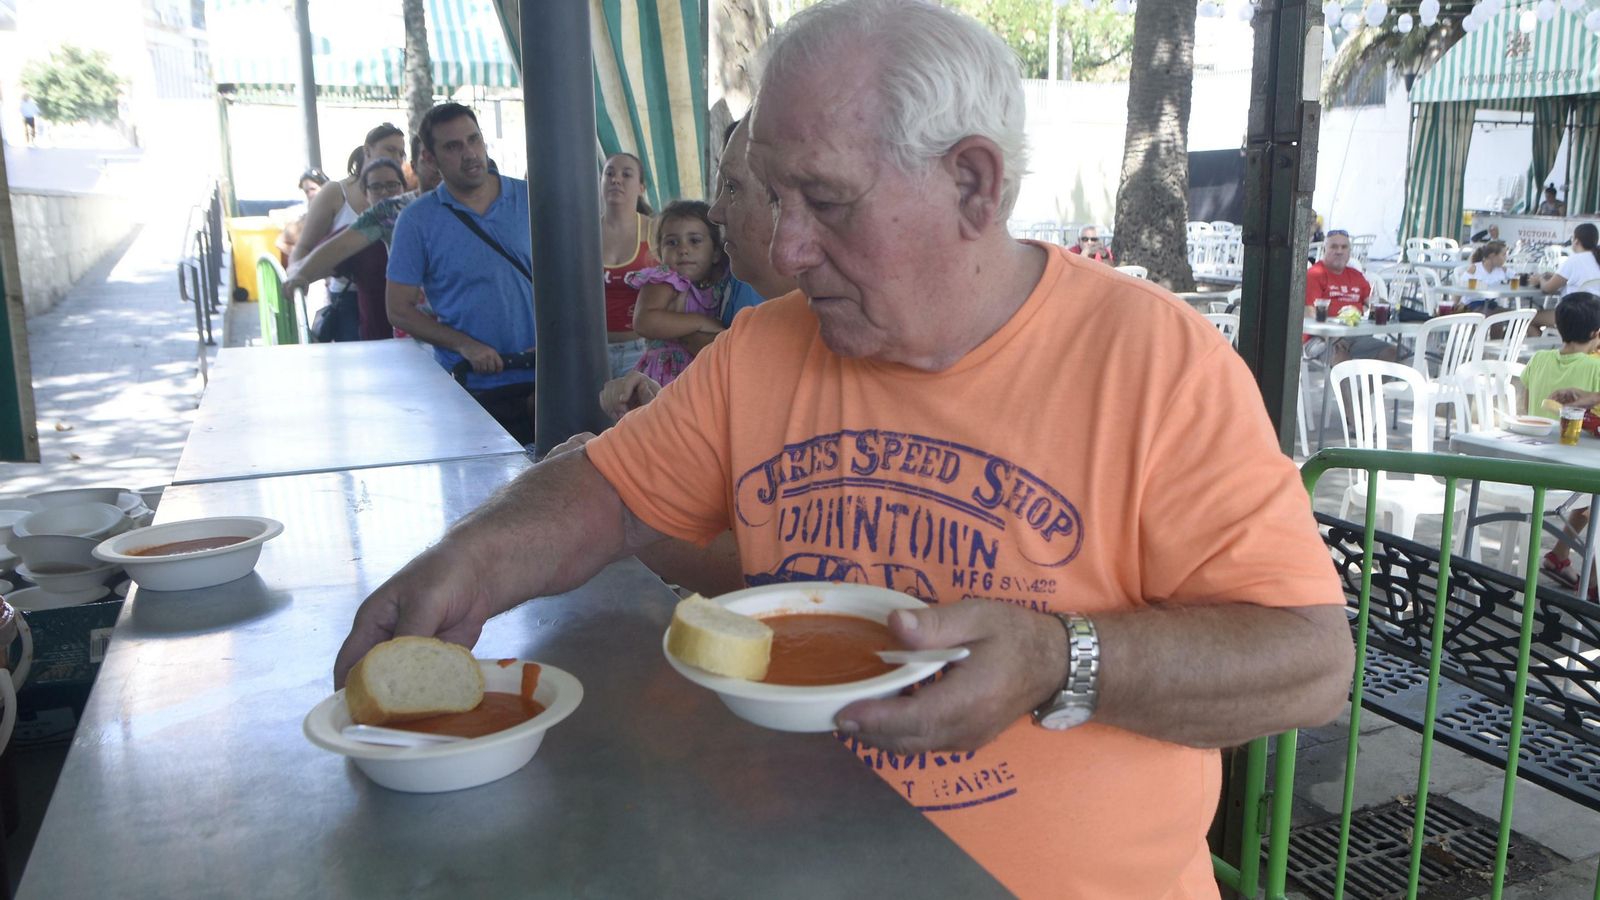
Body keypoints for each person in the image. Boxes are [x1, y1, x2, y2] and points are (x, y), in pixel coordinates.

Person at [336, 4, 1352, 897]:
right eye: (772, 198)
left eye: (824, 200)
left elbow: (1308, 664)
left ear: (972, 183)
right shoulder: (769, 345)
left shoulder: (1153, 359)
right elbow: (608, 491)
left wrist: (1059, 658)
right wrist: (458, 567)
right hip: (791, 862)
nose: (783, 247)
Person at [385, 103, 536, 444]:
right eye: (453, 147)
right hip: (471, 390)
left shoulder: (530, 199)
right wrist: (466, 346)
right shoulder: (417, 220)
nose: (469, 153)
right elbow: (398, 309)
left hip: (546, 382)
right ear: (430, 158)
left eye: (473, 140)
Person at [1515, 293, 1600, 589]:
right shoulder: (1596, 368)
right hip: (1572, 471)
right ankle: (1592, 584)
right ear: (1596, 334)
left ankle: (1559, 555)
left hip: (1528, 465)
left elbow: (1525, 409)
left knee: (1590, 502)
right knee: (1595, 500)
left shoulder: (1538, 359)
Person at [292, 123, 407, 341]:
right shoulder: (335, 192)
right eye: (390, 150)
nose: (397, 157)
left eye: (401, 153)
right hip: (353, 302)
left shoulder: (407, 207)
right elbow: (311, 248)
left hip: (398, 305)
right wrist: (298, 276)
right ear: (368, 150)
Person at [627, 200, 728, 385]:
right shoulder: (667, 280)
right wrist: (701, 322)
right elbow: (644, 321)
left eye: (694, 241)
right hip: (664, 377)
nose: (683, 249)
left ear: (715, 252)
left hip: (700, 378)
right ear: (660, 253)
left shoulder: (720, 285)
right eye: (672, 242)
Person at [601, 152, 657, 378]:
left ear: (641, 187)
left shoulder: (657, 232)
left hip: (641, 349)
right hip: (592, 349)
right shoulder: (584, 232)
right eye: (609, 173)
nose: (616, 179)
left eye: (626, 174)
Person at [1306, 229, 1396, 363]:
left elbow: (1373, 303)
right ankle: (1346, 383)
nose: (1339, 251)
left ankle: (1365, 385)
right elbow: (1310, 313)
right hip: (1320, 338)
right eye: (1334, 247)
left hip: (1354, 336)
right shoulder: (1315, 274)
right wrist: (1333, 337)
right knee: (1343, 360)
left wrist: (1384, 305)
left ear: (1349, 252)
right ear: (1325, 250)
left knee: (1392, 354)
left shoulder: (1356, 275)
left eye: (1344, 247)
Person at [1532, 223, 1600, 336]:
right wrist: (1556, 275)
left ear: (1576, 241)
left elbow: (1547, 289)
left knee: (1527, 320)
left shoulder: (1574, 260)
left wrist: (1540, 279)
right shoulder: (1596, 259)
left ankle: (1544, 353)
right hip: (1596, 317)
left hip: (1575, 316)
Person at [275, 168, 330, 262]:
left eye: (313, 189)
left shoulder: (339, 209)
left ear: (325, 188)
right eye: (306, 191)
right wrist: (303, 257)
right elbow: (280, 242)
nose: (310, 194)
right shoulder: (305, 218)